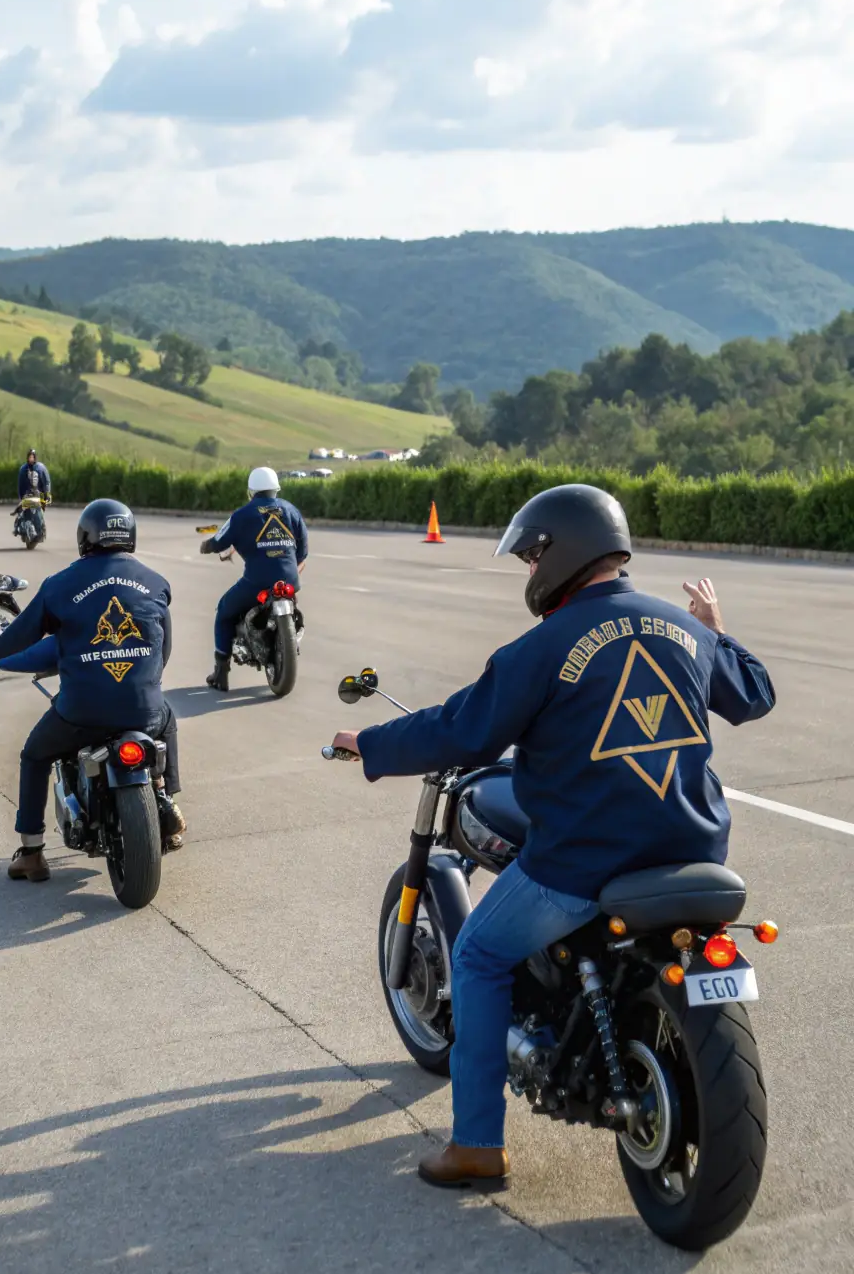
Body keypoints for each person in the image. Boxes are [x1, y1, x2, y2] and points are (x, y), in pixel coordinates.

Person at [330, 483, 776, 1190]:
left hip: (583, 866)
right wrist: (716, 630)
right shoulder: (681, 629)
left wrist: (373, 742)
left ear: (557, 553)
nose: (527, 571)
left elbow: (462, 729)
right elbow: (753, 694)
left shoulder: (543, 647)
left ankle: (476, 1143)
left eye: (530, 556)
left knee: (476, 953)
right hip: (694, 852)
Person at [0, 499, 184, 881]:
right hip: (144, 707)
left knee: (34, 755)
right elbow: (164, 649)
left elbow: (23, 634)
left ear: (85, 537)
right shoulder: (156, 582)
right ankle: (167, 798)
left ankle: (31, 851)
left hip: (82, 712)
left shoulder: (60, 584)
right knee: (168, 718)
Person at [199, 466, 309, 691]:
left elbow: (219, 541)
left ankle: (221, 673)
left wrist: (206, 545)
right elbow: (303, 552)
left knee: (224, 611)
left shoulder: (242, 514)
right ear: (276, 489)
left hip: (257, 582)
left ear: (251, 491)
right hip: (290, 581)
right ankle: (290, 642)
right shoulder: (291, 510)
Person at [14, 448, 52, 540]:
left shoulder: (41, 468)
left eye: (32, 457)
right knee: (21, 511)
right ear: (27, 458)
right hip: (27, 495)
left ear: (35, 458)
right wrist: (21, 497)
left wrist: (47, 494)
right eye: (29, 457)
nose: (31, 459)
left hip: (40, 494)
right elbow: (20, 484)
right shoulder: (23, 469)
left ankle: (41, 528)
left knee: (40, 511)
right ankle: (19, 527)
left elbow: (46, 482)